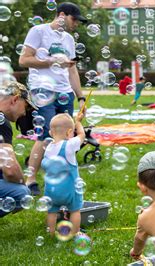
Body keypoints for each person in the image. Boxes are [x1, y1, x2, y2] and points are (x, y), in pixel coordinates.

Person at [19, 2, 87, 196]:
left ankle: (63, 176)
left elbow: (72, 69)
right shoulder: (38, 31)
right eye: (74, 19)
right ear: (61, 15)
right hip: (43, 88)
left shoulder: (69, 39)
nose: (77, 24)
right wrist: (51, 60)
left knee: (67, 134)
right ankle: (30, 179)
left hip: (65, 92)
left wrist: (80, 97)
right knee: (46, 135)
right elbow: (24, 60)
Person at [42, 112, 85, 236]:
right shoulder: (69, 145)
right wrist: (78, 122)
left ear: (51, 133)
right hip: (70, 190)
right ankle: (75, 232)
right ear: (69, 132)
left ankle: (50, 232)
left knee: (52, 212)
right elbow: (82, 135)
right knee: (75, 210)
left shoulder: (49, 148)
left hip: (51, 190)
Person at [0, 82, 37, 218]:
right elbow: (10, 171)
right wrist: (24, 183)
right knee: (22, 194)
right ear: (15, 99)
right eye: (25, 107)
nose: (23, 113)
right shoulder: (2, 121)